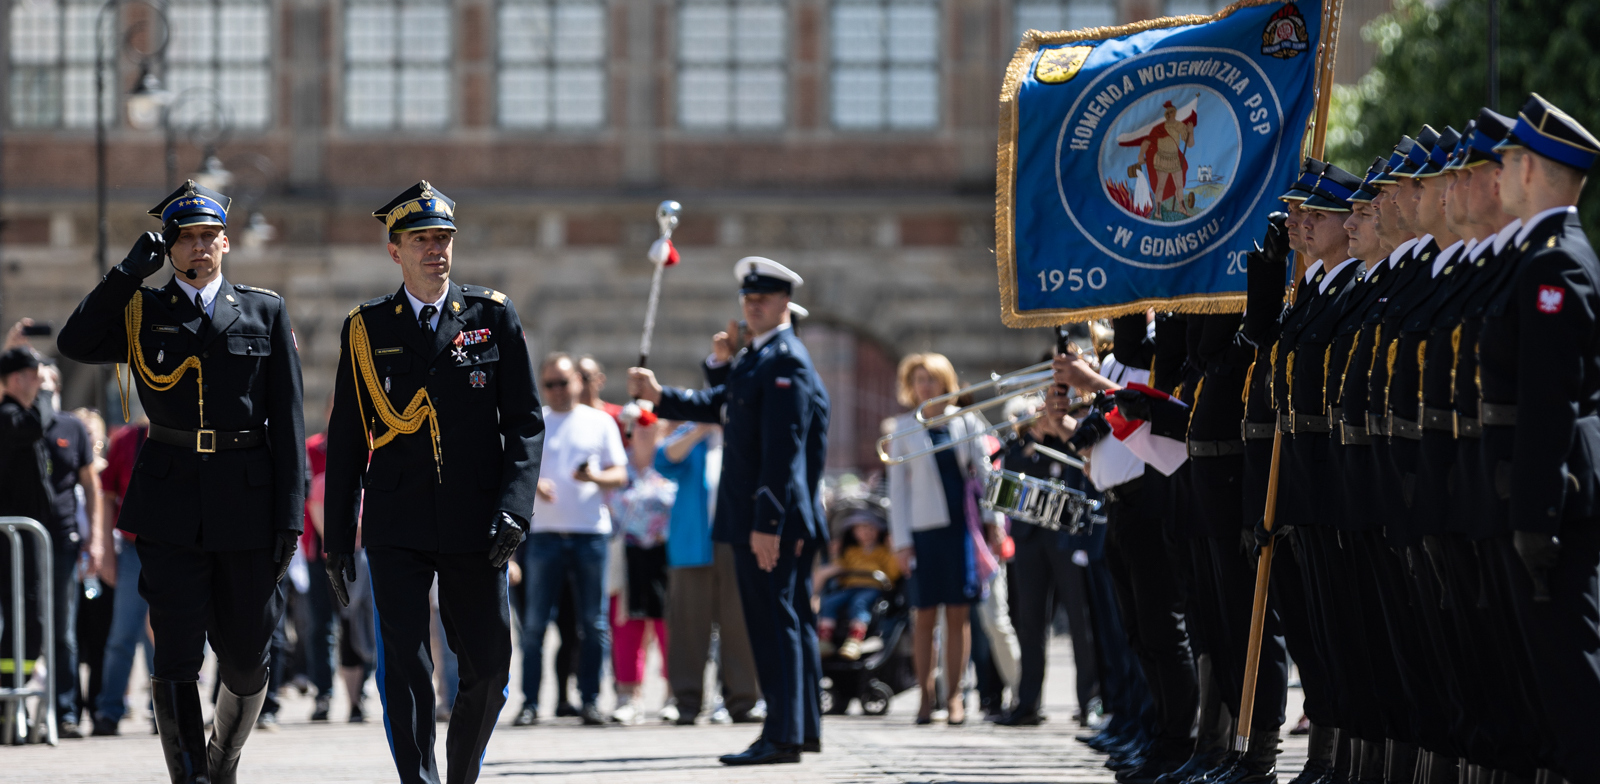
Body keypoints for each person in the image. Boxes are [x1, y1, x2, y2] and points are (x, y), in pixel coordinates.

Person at [57, 180, 306, 784]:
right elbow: (75, 341)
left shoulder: (264, 311)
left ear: (225, 241)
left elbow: (291, 422)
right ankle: (190, 777)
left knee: (248, 657)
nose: (199, 249)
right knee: (174, 654)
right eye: (186, 240)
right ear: (170, 248)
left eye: (208, 237)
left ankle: (222, 757)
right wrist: (124, 275)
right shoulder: (144, 310)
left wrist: (290, 518)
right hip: (170, 500)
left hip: (247, 501)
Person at [321, 181, 543, 784]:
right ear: (395, 250)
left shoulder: (492, 316)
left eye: (443, 238)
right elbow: (346, 439)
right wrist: (337, 539)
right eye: (421, 239)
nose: (435, 250)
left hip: (477, 520)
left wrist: (516, 510)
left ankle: (461, 773)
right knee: (407, 663)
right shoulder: (365, 328)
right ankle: (416, 779)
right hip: (398, 521)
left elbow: (525, 423)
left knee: (491, 664)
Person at [629, 256, 830, 766]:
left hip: (766, 521)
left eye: (762, 299)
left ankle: (781, 735)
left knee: (772, 624)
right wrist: (660, 396)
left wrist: (767, 523)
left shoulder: (784, 359)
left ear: (785, 303)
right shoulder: (760, 358)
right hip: (757, 517)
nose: (753, 307)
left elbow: (782, 452)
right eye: (748, 299)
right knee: (778, 622)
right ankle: (796, 729)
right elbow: (722, 404)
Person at [884, 352, 996, 726]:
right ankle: (925, 696)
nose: (925, 386)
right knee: (924, 618)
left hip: (961, 531)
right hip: (922, 532)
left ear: (945, 383)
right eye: (919, 380)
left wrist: (993, 521)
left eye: (932, 379)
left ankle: (954, 697)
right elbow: (896, 491)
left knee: (958, 618)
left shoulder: (966, 423)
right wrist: (900, 541)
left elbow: (985, 478)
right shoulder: (903, 428)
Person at [516, 352, 627, 726]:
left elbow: (621, 474)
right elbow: (516, 473)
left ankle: (591, 699)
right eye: (549, 384)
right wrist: (535, 485)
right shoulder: (535, 423)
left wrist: (594, 478)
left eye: (563, 382)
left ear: (579, 382)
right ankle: (530, 703)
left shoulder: (599, 422)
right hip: (544, 535)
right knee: (533, 626)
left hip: (589, 534)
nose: (557, 391)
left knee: (593, 623)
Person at [655, 420, 763, 725]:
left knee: (738, 623)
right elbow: (663, 460)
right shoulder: (691, 431)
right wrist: (701, 428)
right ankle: (686, 702)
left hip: (738, 542)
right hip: (692, 544)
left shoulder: (747, 428)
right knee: (688, 624)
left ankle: (742, 701)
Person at [33, 361, 103, 738]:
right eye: (33, 381)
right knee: (19, 627)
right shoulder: (15, 422)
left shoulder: (72, 428)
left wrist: (95, 540)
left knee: (63, 631)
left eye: (47, 382)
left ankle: (66, 712)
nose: (41, 388)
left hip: (62, 541)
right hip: (18, 541)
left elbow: (91, 487)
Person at [605, 418, 674, 724]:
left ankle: (673, 693)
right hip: (627, 552)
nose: (642, 436)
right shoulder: (620, 468)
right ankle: (628, 695)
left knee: (667, 626)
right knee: (626, 626)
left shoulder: (671, 463)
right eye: (637, 430)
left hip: (665, 554)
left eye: (650, 430)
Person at [90, 418, 153, 736]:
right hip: (132, 549)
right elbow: (107, 494)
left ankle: (165, 710)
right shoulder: (128, 439)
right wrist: (105, 549)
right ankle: (110, 709)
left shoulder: (193, 430)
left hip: (178, 550)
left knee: (167, 634)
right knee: (122, 634)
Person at [814, 508, 899, 661]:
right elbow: (839, 568)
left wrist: (893, 549)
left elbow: (893, 573)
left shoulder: (883, 551)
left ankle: (855, 640)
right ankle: (825, 639)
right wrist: (834, 554)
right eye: (861, 528)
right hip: (850, 587)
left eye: (870, 528)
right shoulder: (851, 552)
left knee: (859, 603)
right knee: (829, 602)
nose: (865, 532)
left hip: (873, 588)